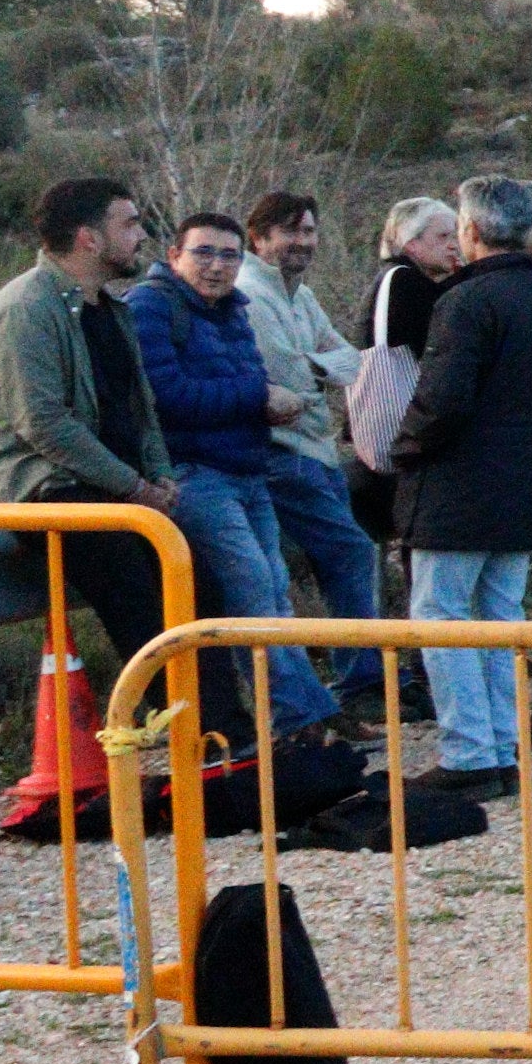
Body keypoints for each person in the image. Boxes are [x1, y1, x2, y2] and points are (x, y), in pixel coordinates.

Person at [0, 177, 265, 754]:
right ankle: (192, 747)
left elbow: (140, 407)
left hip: (123, 494)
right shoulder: (25, 309)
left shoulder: (110, 309)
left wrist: (159, 477)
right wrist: (133, 486)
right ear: (87, 238)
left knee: (200, 590)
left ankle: (229, 742)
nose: (141, 236)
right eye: (128, 224)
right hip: (52, 493)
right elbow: (43, 425)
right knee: (142, 604)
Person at [124, 209, 344, 740]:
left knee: (274, 589)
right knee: (250, 588)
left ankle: (306, 713)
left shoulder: (233, 311)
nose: (216, 265)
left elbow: (248, 376)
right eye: (203, 252)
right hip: (195, 473)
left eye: (228, 255)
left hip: (247, 469)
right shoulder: (150, 307)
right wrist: (258, 399)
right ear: (175, 256)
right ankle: (299, 720)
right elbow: (164, 396)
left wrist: (267, 403)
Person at [388, 176, 532, 792]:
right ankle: (502, 746)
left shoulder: (466, 303)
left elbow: (443, 399)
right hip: (525, 484)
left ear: (469, 231)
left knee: (442, 614)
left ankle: (470, 754)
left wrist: (405, 446)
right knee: (500, 615)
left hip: (458, 490)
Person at [236, 191, 385, 705]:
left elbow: (353, 359)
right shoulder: (251, 294)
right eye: (290, 231)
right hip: (282, 452)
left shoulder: (301, 295)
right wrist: (317, 371)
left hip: (313, 448)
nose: (303, 242)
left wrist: (313, 371)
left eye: (310, 231)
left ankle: (362, 674)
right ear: (259, 238)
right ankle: (363, 678)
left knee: (344, 554)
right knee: (348, 551)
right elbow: (285, 376)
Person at [353, 195, 460, 561]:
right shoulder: (407, 283)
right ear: (411, 242)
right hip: (404, 435)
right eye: (444, 235)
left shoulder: (393, 280)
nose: (454, 244)